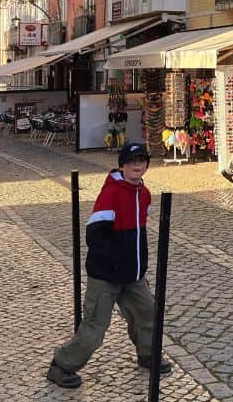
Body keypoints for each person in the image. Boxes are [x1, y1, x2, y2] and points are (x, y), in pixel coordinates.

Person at [47, 143, 172, 389]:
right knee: (95, 327)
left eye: (142, 160)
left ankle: (148, 354)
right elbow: (94, 234)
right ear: (122, 165)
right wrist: (113, 262)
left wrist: (139, 263)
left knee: (147, 314)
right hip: (106, 275)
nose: (137, 165)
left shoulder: (143, 194)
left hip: (133, 275)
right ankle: (61, 366)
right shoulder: (111, 193)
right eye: (132, 161)